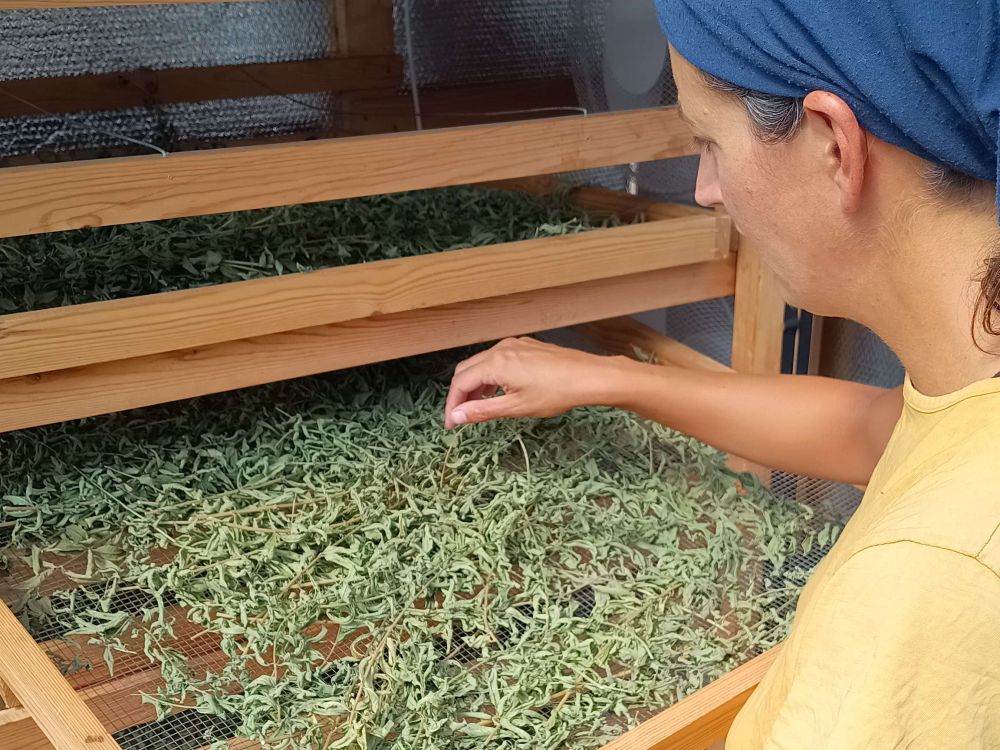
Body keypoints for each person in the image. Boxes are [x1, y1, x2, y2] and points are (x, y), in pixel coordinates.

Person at [443, 2, 1000, 747]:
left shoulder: (927, 585)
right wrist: (614, 377)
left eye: (709, 141)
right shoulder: (972, 389)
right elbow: (878, 429)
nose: (706, 189)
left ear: (835, 144)